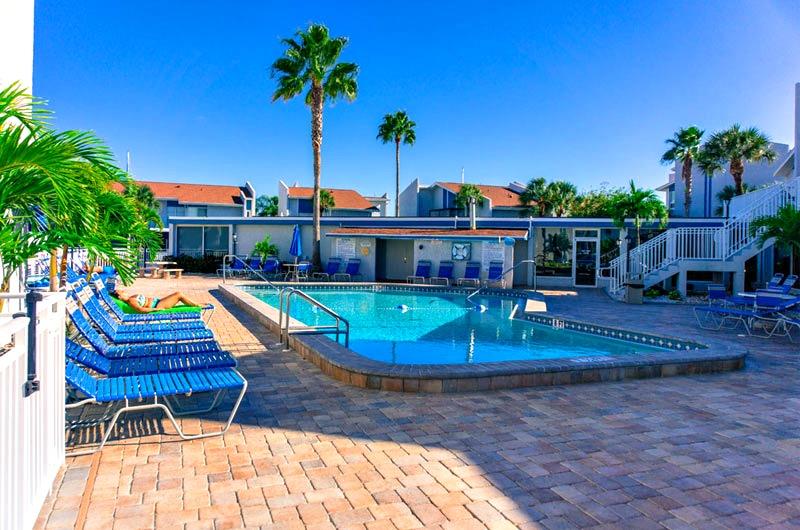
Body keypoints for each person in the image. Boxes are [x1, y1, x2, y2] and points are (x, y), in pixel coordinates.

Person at [115, 289, 202, 313]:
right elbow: (141, 310)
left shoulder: (131, 297)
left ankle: (195, 304)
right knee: (178, 295)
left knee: (178, 295)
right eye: (121, 292)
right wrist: (156, 310)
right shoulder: (131, 301)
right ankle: (197, 305)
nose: (123, 291)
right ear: (119, 297)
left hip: (158, 302)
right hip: (157, 306)